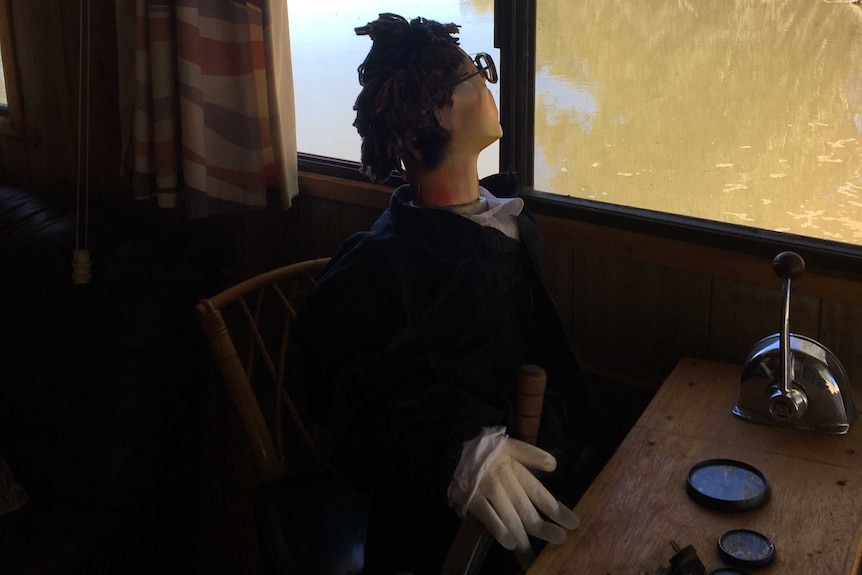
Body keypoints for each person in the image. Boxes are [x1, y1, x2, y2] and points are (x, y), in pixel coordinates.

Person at [288, 13, 618, 574]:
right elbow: (340, 391)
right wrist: (458, 451)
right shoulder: (380, 265)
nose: (487, 83)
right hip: (437, 530)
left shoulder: (506, 222)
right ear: (428, 117)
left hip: (537, 473)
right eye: (474, 75)